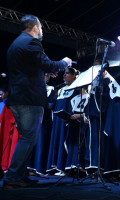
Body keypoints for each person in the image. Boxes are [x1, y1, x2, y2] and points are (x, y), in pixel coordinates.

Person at [4, 14, 72, 188]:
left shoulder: (16, 44)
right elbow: (50, 64)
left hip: (19, 98)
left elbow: (27, 69)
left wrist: (44, 74)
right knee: (28, 138)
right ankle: (12, 177)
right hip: (29, 99)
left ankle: (19, 175)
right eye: (40, 26)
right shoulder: (32, 42)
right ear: (35, 27)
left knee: (28, 138)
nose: (41, 30)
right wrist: (64, 62)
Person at [46, 67, 79, 175]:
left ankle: (64, 167)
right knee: (56, 141)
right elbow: (54, 105)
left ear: (74, 76)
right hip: (57, 121)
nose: (64, 75)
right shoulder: (61, 89)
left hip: (67, 121)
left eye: (68, 73)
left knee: (65, 141)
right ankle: (56, 166)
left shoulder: (77, 89)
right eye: (64, 73)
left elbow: (75, 106)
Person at [28, 74, 57, 175]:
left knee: (42, 143)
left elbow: (52, 105)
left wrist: (41, 102)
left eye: (46, 76)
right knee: (32, 143)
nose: (44, 77)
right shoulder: (33, 88)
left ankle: (40, 168)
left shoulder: (51, 90)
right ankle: (30, 168)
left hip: (45, 120)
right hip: (33, 119)